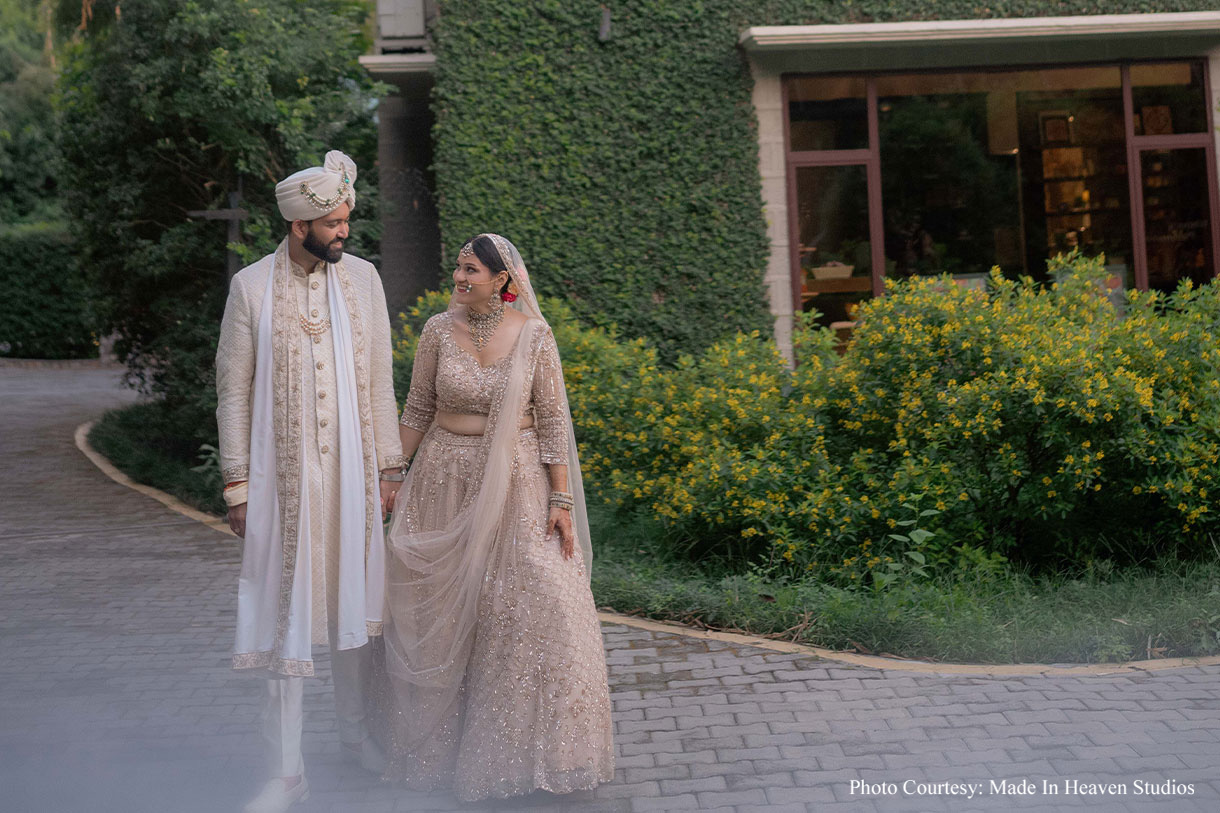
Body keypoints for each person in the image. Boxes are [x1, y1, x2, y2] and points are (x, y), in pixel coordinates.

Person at [378, 233, 614, 801]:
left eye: (471, 271)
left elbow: (555, 422)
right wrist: (390, 473)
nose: (460, 279)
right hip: (441, 479)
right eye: (458, 268)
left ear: (503, 280)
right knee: (442, 607)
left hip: (517, 483)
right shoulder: (437, 329)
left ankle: (546, 753)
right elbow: (417, 408)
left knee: (540, 598)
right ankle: (434, 753)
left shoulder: (535, 335)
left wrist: (560, 501)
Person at [215, 150, 407, 813]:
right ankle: (287, 769)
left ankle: (356, 734)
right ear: (300, 225)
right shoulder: (250, 289)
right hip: (281, 487)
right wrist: (236, 484)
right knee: (284, 619)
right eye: (334, 223)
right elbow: (232, 394)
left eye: (347, 219)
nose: (345, 232)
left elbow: (380, 380)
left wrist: (388, 468)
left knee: (355, 608)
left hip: (352, 480)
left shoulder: (364, 282)